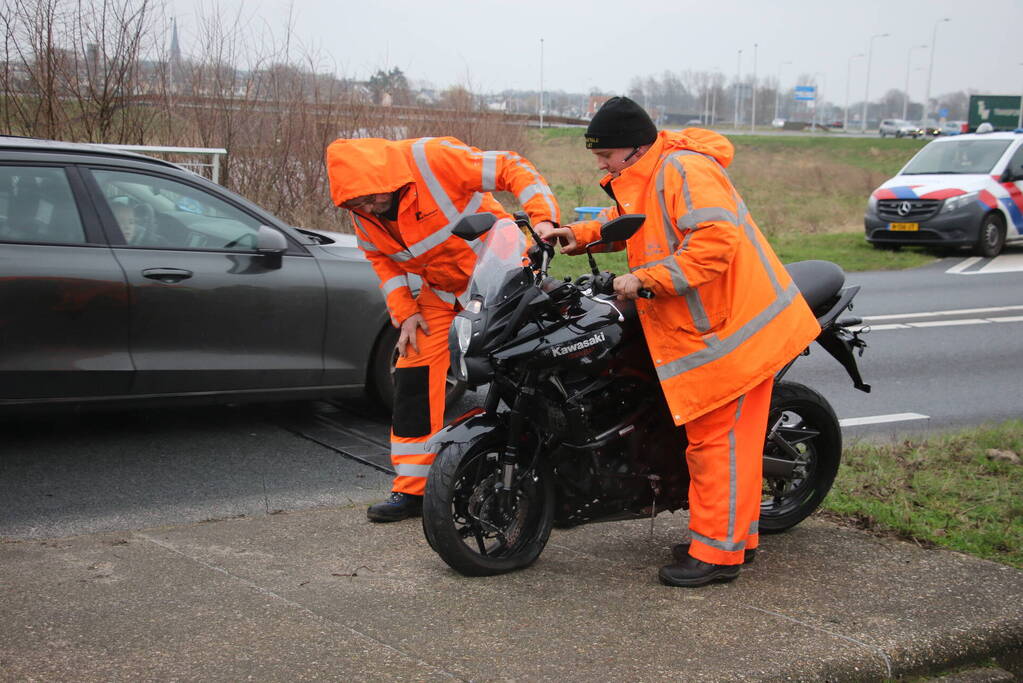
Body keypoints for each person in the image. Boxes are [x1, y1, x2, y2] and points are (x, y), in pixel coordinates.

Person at [536, 97, 820, 587]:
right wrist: (577, 235)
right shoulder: (651, 173)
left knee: (716, 446)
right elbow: (631, 221)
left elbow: (713, 244)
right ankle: (735, 541)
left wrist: (647, 279)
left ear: (636, 146)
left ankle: (715, 557)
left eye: (606, 154)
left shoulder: (685, 170)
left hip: (730, 333)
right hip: (715, 329)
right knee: (732, 446)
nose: (600, 163)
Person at [326, 135, 560, 522]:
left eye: (370, 199)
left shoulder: (432, 159)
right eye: (356, 204)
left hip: (500, 275)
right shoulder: (362, 210)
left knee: (521, 370)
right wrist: (404, 312)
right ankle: (412, 489)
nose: (366, 208)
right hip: (442, 290)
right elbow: (380, 260)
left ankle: (540, 476)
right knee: (413, 369)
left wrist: (544, 219)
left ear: (388, 180)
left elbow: (512, 166)